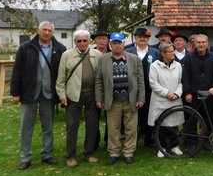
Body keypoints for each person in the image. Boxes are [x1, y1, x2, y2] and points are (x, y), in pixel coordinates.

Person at [11, 21, 66, 170]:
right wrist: (15, 93)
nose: (46, 33)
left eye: (49, 30)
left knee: (47, 126)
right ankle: (26, 157)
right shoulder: (26, 48)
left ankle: (47, 154)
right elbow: (17, 71)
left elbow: (64, 73)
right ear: (38, 31)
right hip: (29, 92)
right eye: (44, 30)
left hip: (49, 93)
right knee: (26, 126)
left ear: (52, 32)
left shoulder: (60, 49)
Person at [95, 32, 145, 165]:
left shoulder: (134, 59)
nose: (117, 46)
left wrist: (141, 98)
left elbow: (141, 80)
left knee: (131, 128)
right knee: (113, 128)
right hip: (113, 100)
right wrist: (99, 98)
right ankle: (114, 152)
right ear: (110, 44)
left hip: (131, 99)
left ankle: (128, 152)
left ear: (124, 43)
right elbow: (99, 80)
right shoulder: (103, 59)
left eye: (120, 43)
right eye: (114, 43)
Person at [56, 30, 101, 167]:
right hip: (73, 95)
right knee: (72, 126)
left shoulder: (97, 54)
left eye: (85, 40)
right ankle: (71, 155)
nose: (82, 43)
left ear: (89, 41)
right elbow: (60, 79)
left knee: (92, 125)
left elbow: (101, 77)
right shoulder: (67, 55)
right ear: (75, 42)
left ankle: (89, 152)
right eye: (79, 41)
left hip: (92, 95)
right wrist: (62, 95)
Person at [182, 34, 213, 151]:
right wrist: (187, 92)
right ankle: (192, 143)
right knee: (191, 119)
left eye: (203, 42)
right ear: (195, 44)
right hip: (193, 94)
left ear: (207, 43)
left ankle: (206, 141)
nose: (201, 44)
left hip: (208, 94)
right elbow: (185, 76)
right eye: (199, 42)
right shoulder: (189, 57)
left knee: (208, 118)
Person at [125, 27, 161, 148]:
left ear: (148, 38)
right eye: (140, 37)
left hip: (150, 88)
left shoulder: (155, 52)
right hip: (132, 88)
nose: (142, 39)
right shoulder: (128, 51)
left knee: (149, 114)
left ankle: (149, 138)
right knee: (132, 115)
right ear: (135, 38)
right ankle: (131, 140)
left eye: (145, 37)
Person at [147, 43, 184, 158]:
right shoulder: (154, 66)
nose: (173, 53)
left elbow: (180, 82)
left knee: (174, 124)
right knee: (161, 124)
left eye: (173, 51)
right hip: (160, 100)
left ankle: (174, 146)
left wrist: (177, 94)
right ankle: (161, 147)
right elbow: (153, 83)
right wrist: (167, 93)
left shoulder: (178, 65)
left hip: (175, 99)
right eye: (170, 51)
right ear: (163, 53)